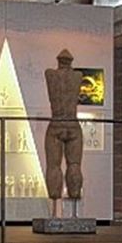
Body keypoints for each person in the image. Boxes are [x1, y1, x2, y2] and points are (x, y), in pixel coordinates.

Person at [44, 49, 84, 216]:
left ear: (58, 60)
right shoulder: (78, 76)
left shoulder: (50, 74)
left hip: (57, 123)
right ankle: (73, 207)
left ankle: (55, 207)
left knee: (54, 166)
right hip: (73, 124)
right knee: (74, 165)